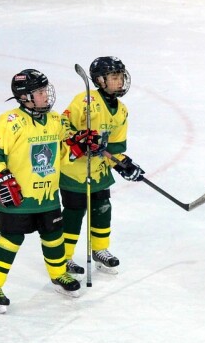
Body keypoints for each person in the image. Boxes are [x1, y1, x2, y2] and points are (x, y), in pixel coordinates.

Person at [0, 69, 84, 313]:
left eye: (45, 90)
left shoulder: (56, 120)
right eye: (39, 92)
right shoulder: (10, 122)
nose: (46, 95)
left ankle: (59, 275)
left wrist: (79, 146)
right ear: (25, 96)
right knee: (11, 239)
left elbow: (62, 155)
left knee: (54, 235)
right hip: (20, 197)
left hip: (48, 195)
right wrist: (0, 177)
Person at [60, 56, 144, 275]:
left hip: (99, 172)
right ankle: (64, 257)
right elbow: (61, 126)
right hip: (74, 172)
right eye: (114, 77)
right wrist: (79, 138)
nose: (120, 82)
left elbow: (114, 149)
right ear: (100, 80)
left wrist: (124, 165)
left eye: (121, 77)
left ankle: (100, 250)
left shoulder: (122, 110)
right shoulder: (84, 101)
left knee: (102, 209)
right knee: (73, 213)